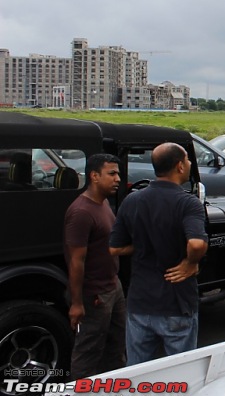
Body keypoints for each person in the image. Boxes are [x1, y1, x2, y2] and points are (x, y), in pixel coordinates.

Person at [110, 143, 208, 364]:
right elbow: (196, 244)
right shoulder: (187, 203)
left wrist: (144, 245)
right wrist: (190, 264)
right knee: (180, 373)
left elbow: (114, 248)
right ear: (179, 166)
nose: (190, 164)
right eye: (188, 160)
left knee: (137, 373)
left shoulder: (132, 200)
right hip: (176, 305)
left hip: (140, 303)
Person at [64, 153, 126, 378]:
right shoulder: (81, 212)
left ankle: (113, 394)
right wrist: (77, 303)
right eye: (111, 174)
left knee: (116, 346)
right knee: (88, 351)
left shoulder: (104, 203)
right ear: (94, 176)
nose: (117, 178)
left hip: (113, 286)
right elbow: (76, 261)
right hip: (94, 294)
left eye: (118, 173)